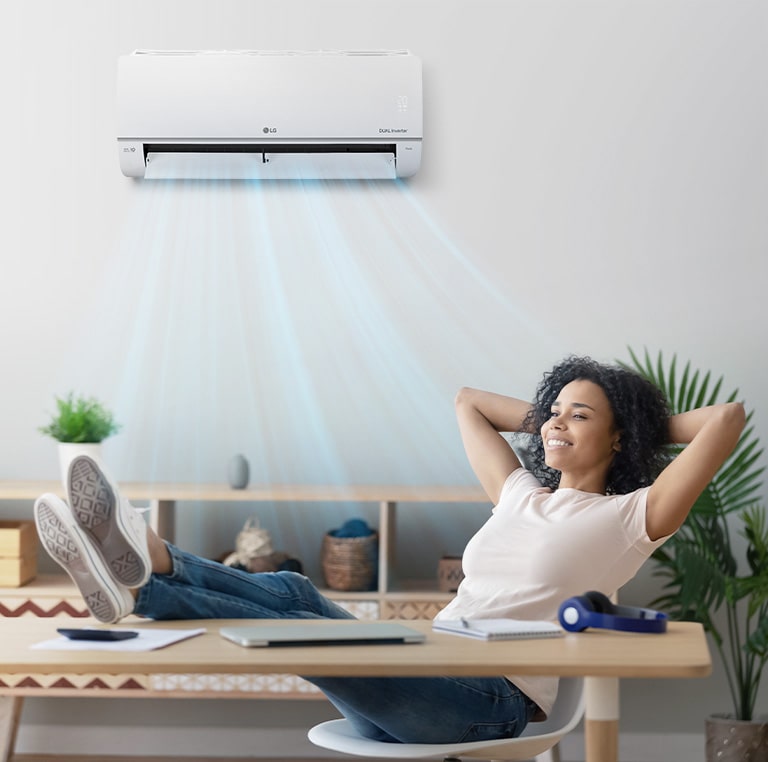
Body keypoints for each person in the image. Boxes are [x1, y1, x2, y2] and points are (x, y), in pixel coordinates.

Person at [34, 356, 746, 745]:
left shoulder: (629, 516)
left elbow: (726, 418)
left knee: (302, 631)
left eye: (578, 416)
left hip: (485, 703)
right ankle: (148, 563)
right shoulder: (522, 493)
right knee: (299, 596)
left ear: (620, 439)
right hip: (425, 663)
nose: (555, 423)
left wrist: (633, 417)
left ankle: (144, 578)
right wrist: (561, 419)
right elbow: (467, 400)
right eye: (552, 411)